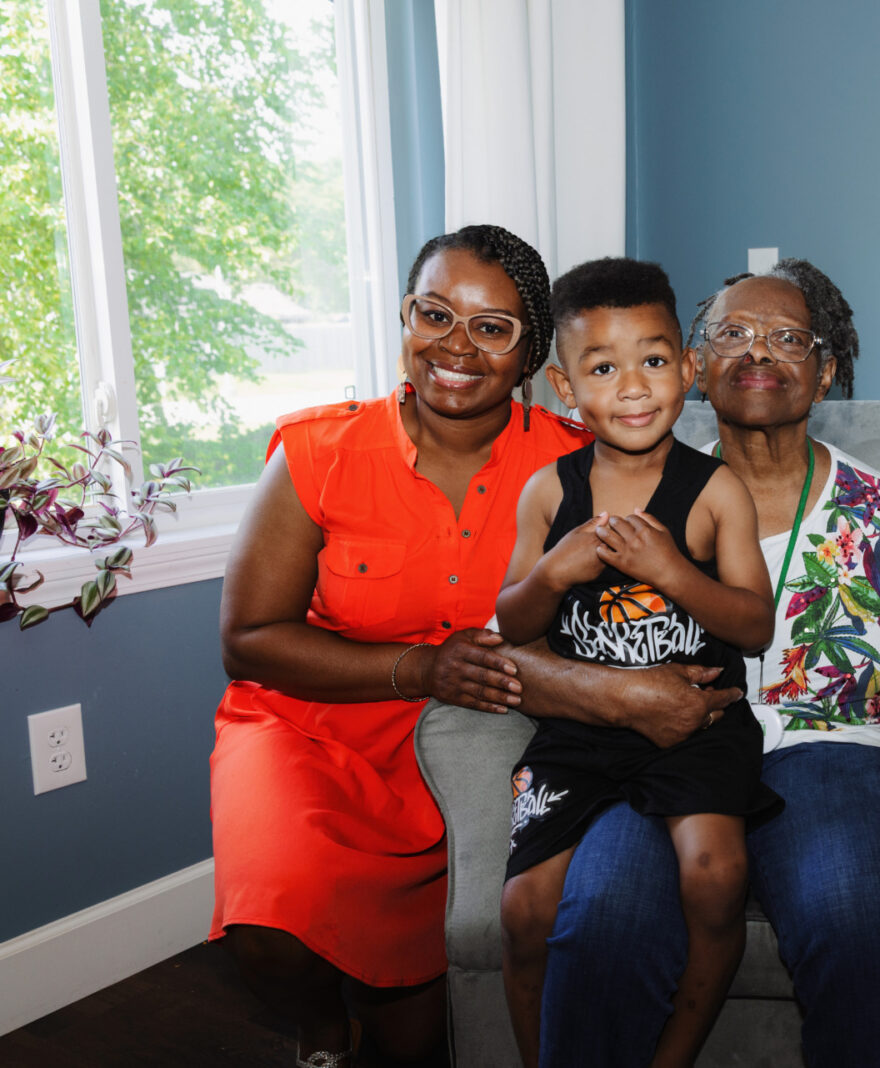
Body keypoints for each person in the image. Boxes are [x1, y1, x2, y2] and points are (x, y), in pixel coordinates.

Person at [496, 257, 880, 1066]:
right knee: (603, 918)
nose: (758, 352)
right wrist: (611, 702)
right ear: (698, 367)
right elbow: (528, 640)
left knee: (853, 917)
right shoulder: (629, 493)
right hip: (658, 748)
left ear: (826, 373)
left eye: (788, 338)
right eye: (733, 334)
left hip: (835, 750)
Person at [211, 225, 590, 1067]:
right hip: (307, 727)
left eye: (493, 327)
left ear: (529, 355)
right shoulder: (318, 452)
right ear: (404, 319)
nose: (457, 346)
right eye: (435, 314)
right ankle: (317, 1024)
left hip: (469, 742)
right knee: (268, 928)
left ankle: (386, 1007)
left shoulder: (574, 464)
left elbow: (688, 517)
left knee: (410, 1042)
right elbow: (247, 640)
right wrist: (419, 666)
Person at [495, 258, 781, 1067]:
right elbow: (511, 622)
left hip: (702, 727)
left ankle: (672, 1056)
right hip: (577, 734)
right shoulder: (549, 492)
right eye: (603, 367)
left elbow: (754, 625)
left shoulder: (716, 490)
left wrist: (673, 574)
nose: (632, 387)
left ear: (688, 372)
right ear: (563, 388)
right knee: (524, 908)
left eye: (653, 360)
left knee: (716, 875)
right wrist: (552, 572)